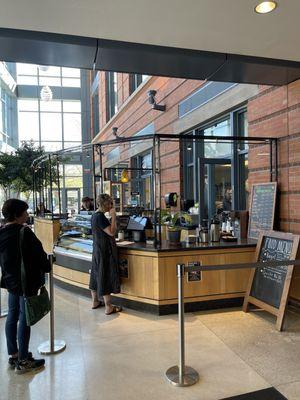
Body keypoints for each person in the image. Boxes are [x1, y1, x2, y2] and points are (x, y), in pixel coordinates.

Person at [0, 199, 51, 374]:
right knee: (25, 318)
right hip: (25, 282)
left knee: (12, 316)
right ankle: (23, 361)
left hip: (10, 282)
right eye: (25, 212)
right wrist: (47, 266)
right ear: (17, 215)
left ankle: (14, 355)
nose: (27, 215)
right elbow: (39, 255)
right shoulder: (24, 232)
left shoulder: (2, 232)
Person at [89, 194, 122, 315]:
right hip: (104, 250)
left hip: (97, 249)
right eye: (110, 204)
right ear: (104, 204)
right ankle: (108, 306)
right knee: (105, 275)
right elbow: (112, 232)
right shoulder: (100, 217)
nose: (111, 206)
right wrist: (114, 216)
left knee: (95, 274)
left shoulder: (94, 215)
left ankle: (95, 302)